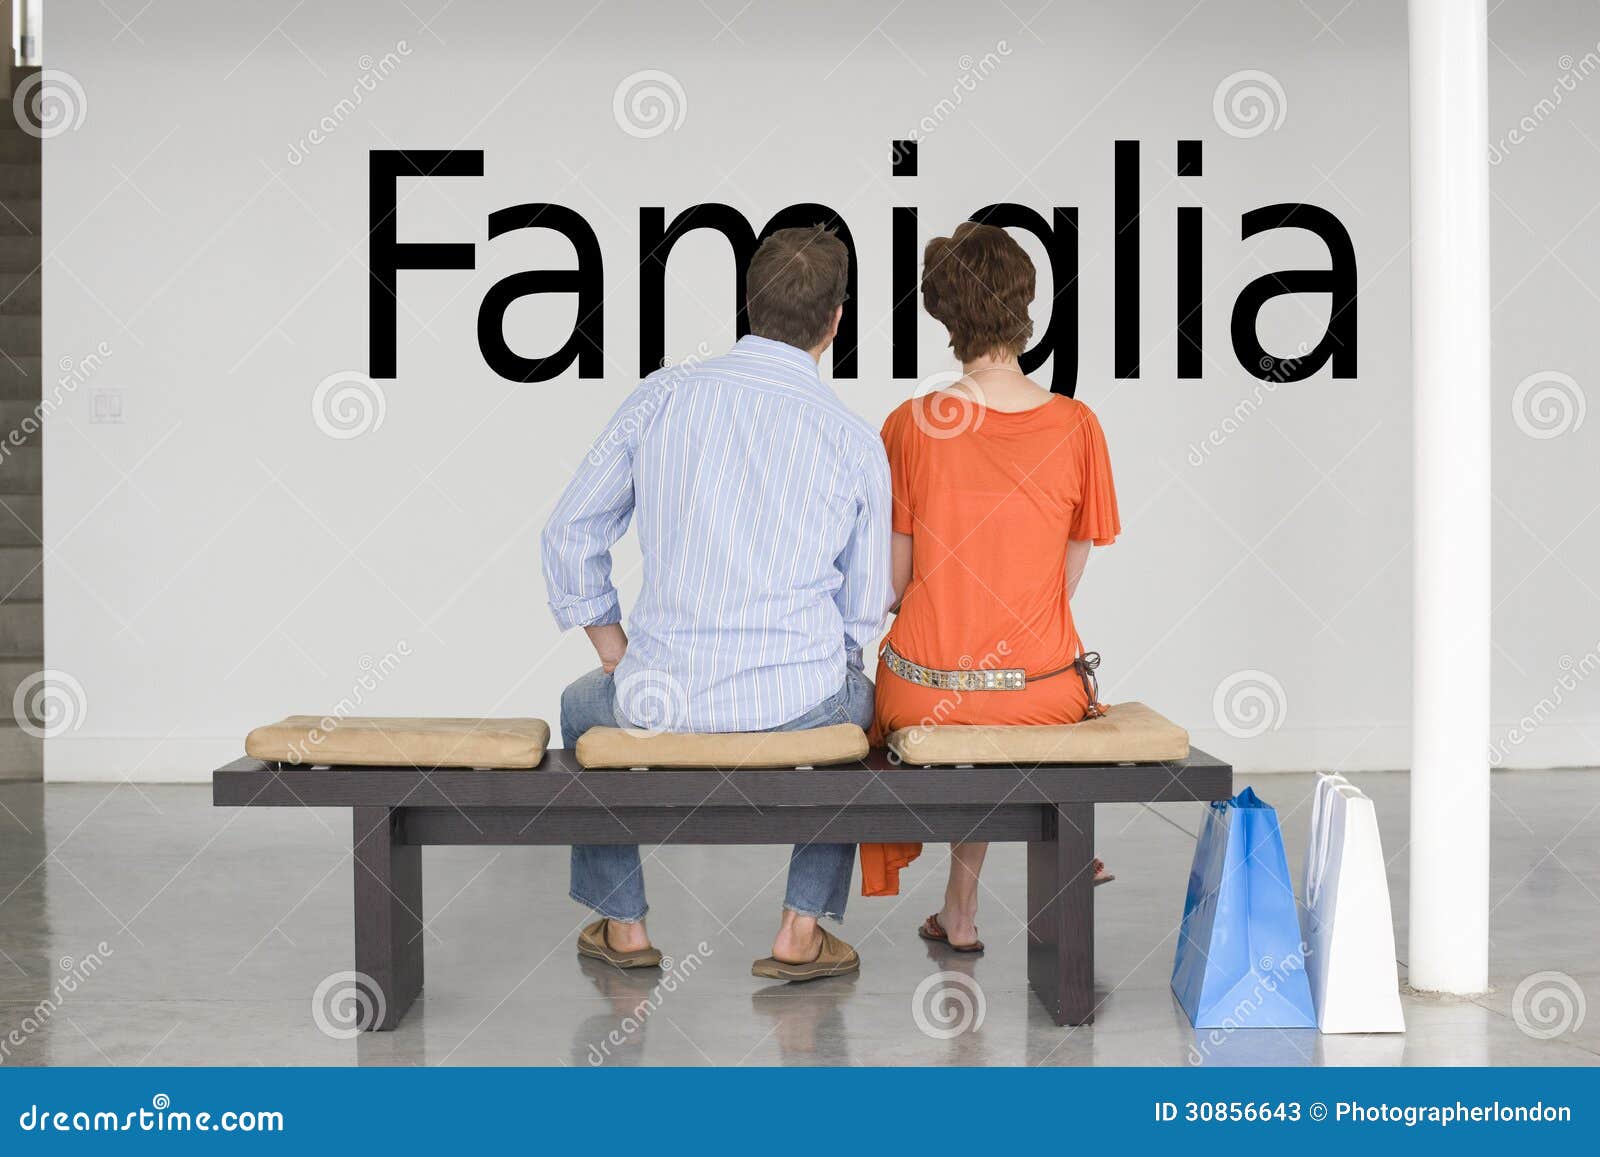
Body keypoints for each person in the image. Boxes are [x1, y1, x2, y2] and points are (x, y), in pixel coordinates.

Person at [541, 225, 893, 981]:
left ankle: (625, 926)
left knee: (579, 707)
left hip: (660, 697)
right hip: (801, 704)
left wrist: (614, 654)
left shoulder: (663, 397)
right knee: (855, 702)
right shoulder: (853, 439)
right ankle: (801, 926)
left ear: (747, 303)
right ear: (837, 321)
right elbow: (864, 614)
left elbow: (571, 531)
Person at [864, 222, 1120, 952]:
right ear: (1026, 303)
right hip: (1040, 691)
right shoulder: (1077, 426)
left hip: (924, 689)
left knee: (969, 713)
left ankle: (960, 912)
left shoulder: (912, 426)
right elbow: (1065, 577)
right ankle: (1040, 859)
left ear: (945, 318)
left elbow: (895, 584)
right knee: (1004, 706)